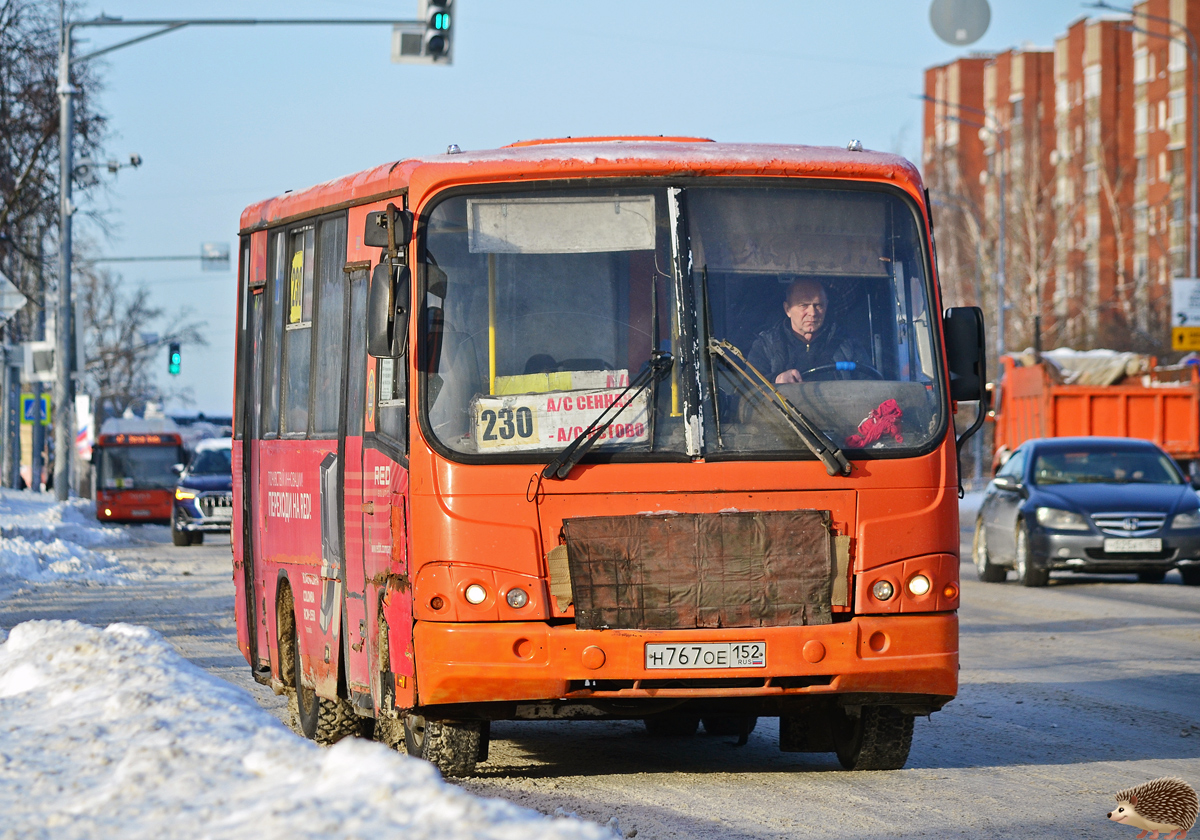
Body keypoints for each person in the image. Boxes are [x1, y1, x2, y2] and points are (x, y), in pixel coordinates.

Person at [747, 278, 866, 383]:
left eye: (818, 305)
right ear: (787, 309)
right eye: (804, 305)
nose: (812, 313)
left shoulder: (848, 345)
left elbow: (869, 387)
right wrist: (776, 380)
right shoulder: (766, 346)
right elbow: (746, 391)